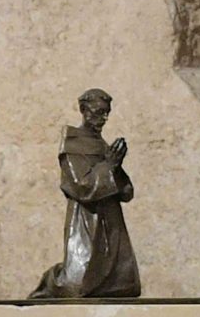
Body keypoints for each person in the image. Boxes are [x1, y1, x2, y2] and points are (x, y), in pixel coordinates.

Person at [32, 88, 142, 299]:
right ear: (83, 110)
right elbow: (81, 187)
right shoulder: (72, 144)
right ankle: (51, 282)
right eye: (97, 112)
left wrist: (116, 167)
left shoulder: (102, 145)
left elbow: (126, 192)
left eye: (106, 113)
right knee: (77, 284)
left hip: (110, 220)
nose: (103, 118)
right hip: (85, 218)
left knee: (121, 284)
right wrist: (108, 165)